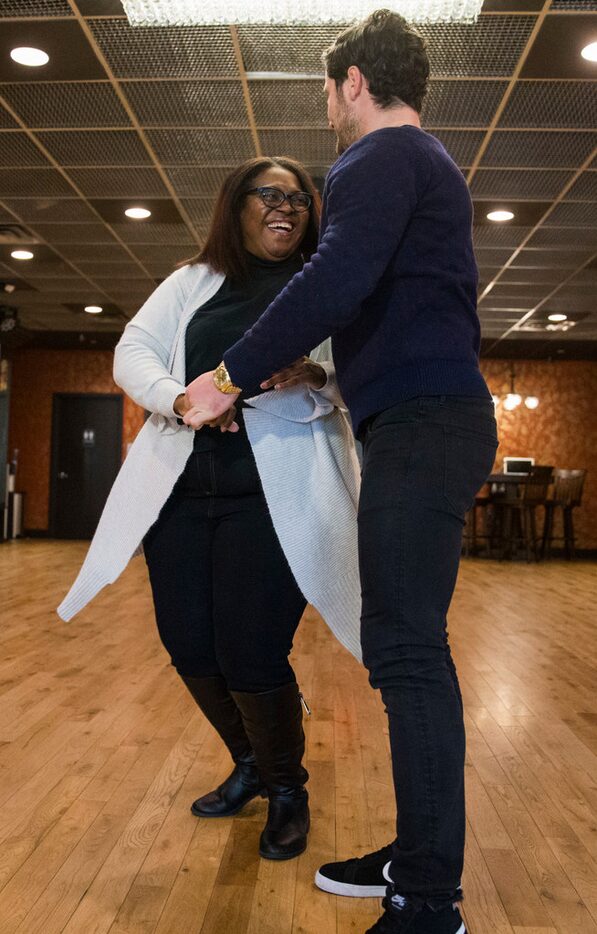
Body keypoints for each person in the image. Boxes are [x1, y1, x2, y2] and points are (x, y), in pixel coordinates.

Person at [179, 10, 499, 934]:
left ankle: (428, 901)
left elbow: (334, 280)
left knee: (405, 651)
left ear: (352, 80)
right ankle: (414, 857)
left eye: (326, 89)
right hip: (420, 417)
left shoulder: (376, 158)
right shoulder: (420, 162)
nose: (326, 106)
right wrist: (317, 369)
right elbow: (378, 296)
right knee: (401, 646)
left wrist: (228, 377)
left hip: (424, 424)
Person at [57, 156, 362, 864]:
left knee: (251, 652)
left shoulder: (319, 289)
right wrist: (179, 399)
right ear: (236, 206)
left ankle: (288, 788)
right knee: (190, 646)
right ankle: (250, 763)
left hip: (272, 502)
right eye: (269, 195)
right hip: (181, 499)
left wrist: (315, 372)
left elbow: (352, 375)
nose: (286, 207)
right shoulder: (193, 283)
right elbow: (132, 349)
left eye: (299, 199)